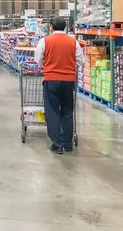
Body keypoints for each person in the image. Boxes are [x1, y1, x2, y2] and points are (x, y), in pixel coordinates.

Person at [34, 16, 85, 155]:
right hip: (68, 81)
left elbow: (38, 60)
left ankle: (57, 144)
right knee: (67, 110)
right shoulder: (73, 42)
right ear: (64, 27)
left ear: (51, 27)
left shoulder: (45, 41)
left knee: (52, 111)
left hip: (51, 80)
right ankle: (68, 143)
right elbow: (81, 61)